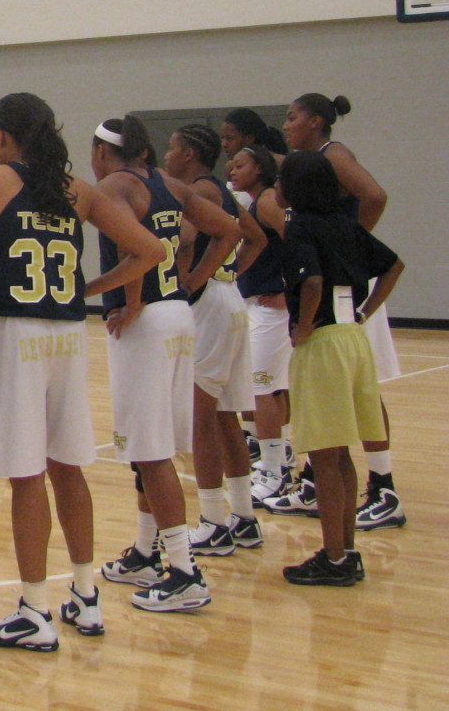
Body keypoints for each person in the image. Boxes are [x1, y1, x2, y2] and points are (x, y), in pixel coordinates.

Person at [0, 94, 163, 652]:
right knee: (68, 468)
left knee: (27, 476)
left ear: (1, 135)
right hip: (69, 336)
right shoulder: (79, 190)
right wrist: (89, 291)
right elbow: (151, 251)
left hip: (14, 333)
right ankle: (87, 598)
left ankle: (33, 610)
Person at [91, 115, 240, 612]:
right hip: (178, 315)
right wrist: (193, 282)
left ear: (100, 150)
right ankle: (144, 550)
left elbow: (138, 248)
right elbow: (231, 230)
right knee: (149, 445)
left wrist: (128, 300)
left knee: (150, 451)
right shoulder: (170, 185)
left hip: (148, 321)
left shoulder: (114, 185)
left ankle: (183, 572)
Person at [275, 93, 405, 530]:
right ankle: (316, 481)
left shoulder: (334, 154)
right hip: (336, 285)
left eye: (293, 118)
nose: (288, 125)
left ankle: (383, 485)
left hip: (343, 290)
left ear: (315, 122)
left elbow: (376, 195)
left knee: (359, 397)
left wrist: (345, 245)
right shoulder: (308, 169)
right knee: (342, 404)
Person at [162, 126, 266, 557]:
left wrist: (190, 282)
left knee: (200, 416)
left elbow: (186, 240)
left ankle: (212, 522)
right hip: (232, 301)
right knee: (225, 417)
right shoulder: (221, 189)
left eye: (171, 148)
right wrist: (227, 274)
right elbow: (254, 238)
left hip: (209, 304)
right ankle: (243, 517)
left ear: (187, 154)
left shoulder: (196, 190)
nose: (166, 156)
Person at [227, 145, 296, 502]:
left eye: (240, 164)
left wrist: (290, 290)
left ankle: (274, 471)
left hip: (273, 306)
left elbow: (299, 244)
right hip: (260, 302)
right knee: (273, 387)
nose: (232, 168)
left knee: (262, 388)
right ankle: (280, 456)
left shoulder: (267, 200)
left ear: (260, 168)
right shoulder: (257, 201)